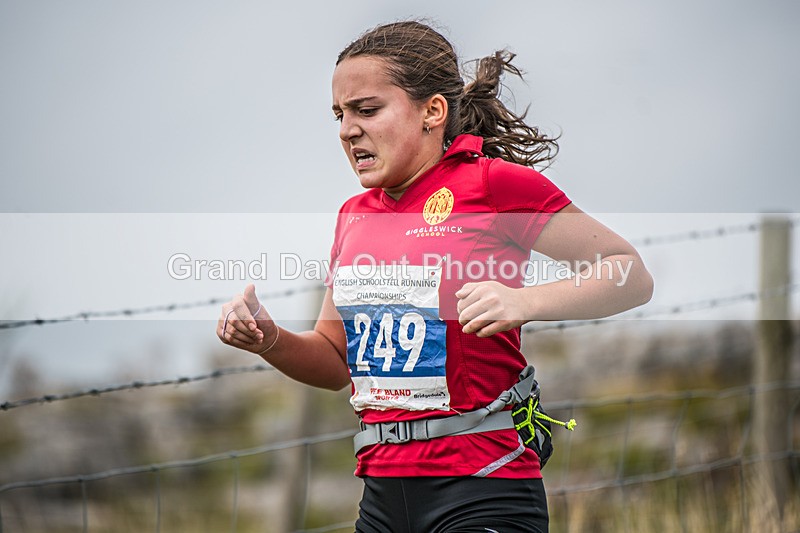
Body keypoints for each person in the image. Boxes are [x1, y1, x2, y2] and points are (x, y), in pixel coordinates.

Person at [217, 20, 654, 533]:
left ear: (432, 111)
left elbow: (629, 273)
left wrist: (525, 301)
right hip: (382, 498)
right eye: (339, 114)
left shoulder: (493, 185)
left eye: (367, 109)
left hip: (485, 485)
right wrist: (269, 340)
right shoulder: (353, 215)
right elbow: (336, 362)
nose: (346, 130)